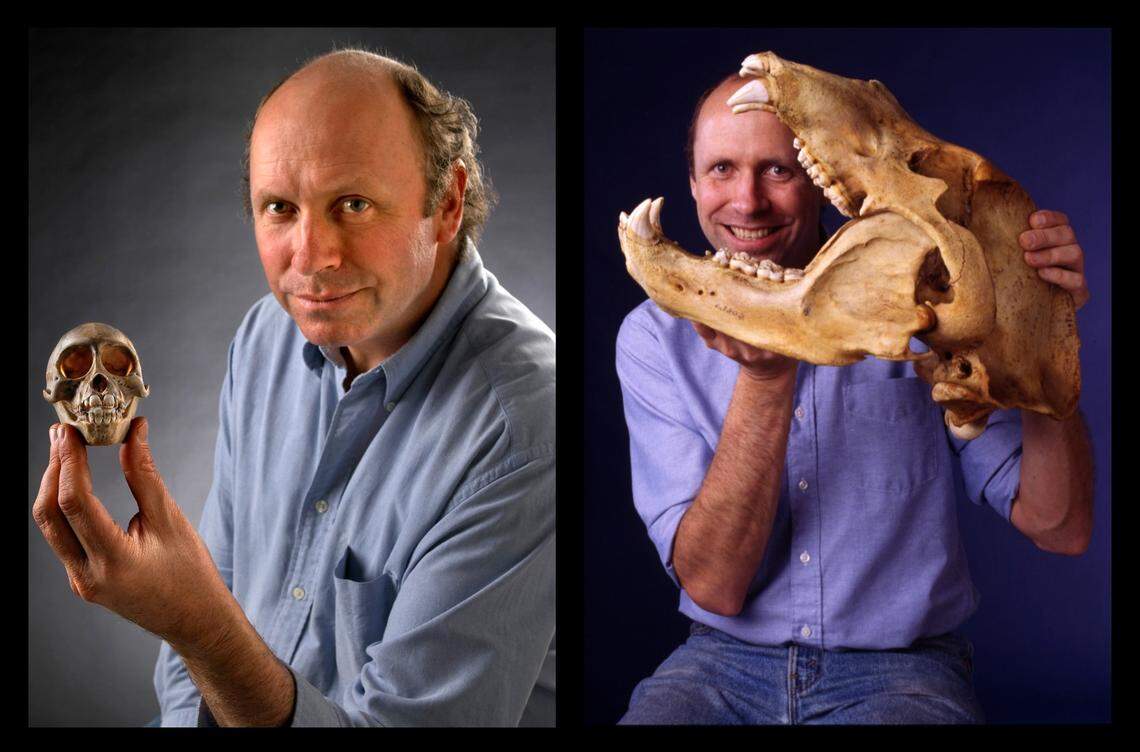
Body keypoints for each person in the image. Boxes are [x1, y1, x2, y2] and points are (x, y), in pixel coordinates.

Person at [32, 49, 555, 727]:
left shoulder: (524, 431)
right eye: (280, 207)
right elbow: (214, 593)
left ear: (447, 202)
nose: (311, 258)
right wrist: (197, 626)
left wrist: (197, 627)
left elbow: (209, 622)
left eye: (354, 204)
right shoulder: (267, 339)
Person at [615, 73, 1093, 724]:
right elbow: (716, 588)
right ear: (695, 184)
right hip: (721, 664)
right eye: (722, 168)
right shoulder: (653, 336)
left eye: (777, 169)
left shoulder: (931, 308)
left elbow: (1059, 525)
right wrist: (766, 377)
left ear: (815, 178)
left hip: (903, 672)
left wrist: (1041, 333)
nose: (747, 201)